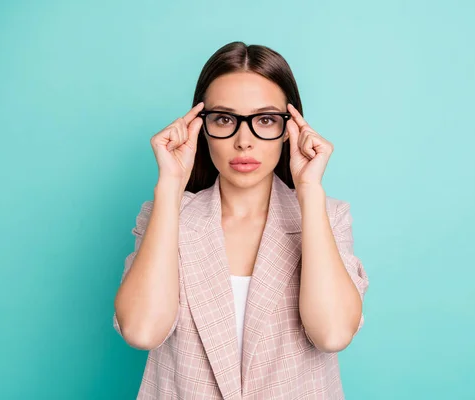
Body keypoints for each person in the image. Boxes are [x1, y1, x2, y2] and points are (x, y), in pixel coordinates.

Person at [113, 41, 369, 400]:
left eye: (265, 119)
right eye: (224, 119)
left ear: (290, 129)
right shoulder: (168, 218)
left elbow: (332, 334)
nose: (243, 141)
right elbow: (141, 331)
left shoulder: (327, 217)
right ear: (200, 127)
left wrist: (308, 188)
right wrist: (171, 184)